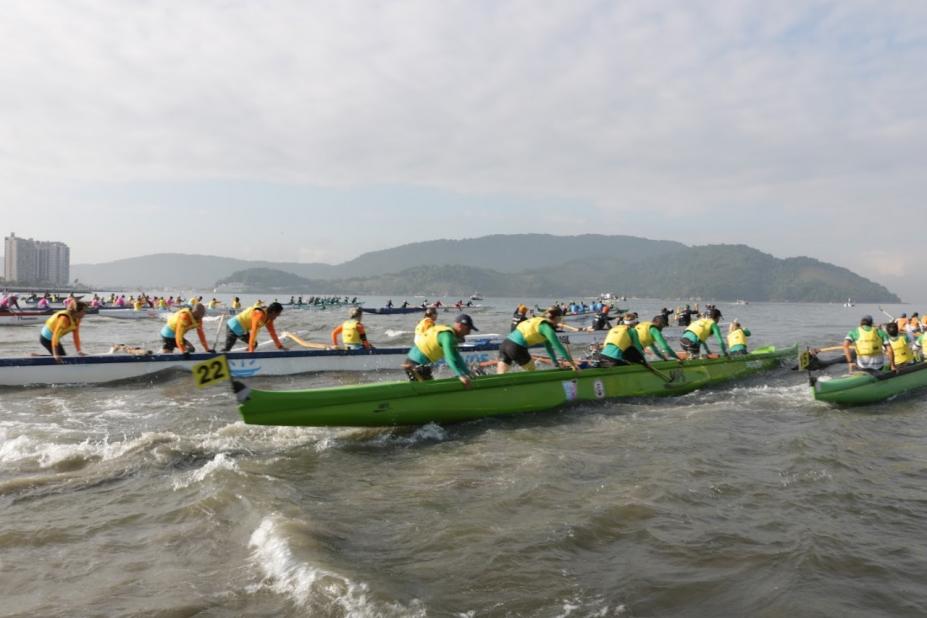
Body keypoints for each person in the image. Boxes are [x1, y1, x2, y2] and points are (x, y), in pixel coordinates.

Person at [497, 305, 579, 373]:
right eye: (560, 318)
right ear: (557, 318)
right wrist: (573, 364)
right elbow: (559, 347)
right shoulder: (547, 329)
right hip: (516, 347)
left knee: (501, 376)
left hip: (505, 344)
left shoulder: (538, 320)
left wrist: (556, 363)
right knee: (532, 371)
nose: (560, 320)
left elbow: (549, 348)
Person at [403, 314, 479, 386]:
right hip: (415, 365)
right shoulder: (447, 336)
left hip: (420, 365)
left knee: (431, 387)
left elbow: (457, 357)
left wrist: (467, 372)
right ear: (460, 326)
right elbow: (450, 358)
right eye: (468, 329)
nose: (469, 332)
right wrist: (460, 375)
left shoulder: (447, 332)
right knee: (429, 392)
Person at [223, 301, 287, 352]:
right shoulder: (259, 314)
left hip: (242, 330)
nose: (276, 318)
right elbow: (254, 331)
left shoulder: (269, 319)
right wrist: (251, 350)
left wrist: (280, 346)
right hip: (233, 325)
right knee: (227, 349)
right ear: (273, 312)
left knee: (254, 344)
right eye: (277, 315)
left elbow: (273, 333)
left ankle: (246, 356)